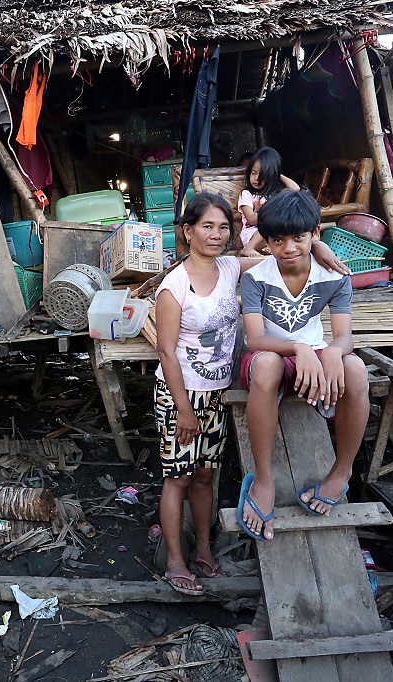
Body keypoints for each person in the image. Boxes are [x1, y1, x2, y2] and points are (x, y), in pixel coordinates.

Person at [154, 191, 348, 595]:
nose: (216, 234)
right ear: (188, 231)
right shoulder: (174, 287)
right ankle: (175, 560)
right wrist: (185, 409)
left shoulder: (229, 267)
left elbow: (285, 252)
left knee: (205, 475)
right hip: (182, 393)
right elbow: (166, 352)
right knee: (178, 478)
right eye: (206, 226)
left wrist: (322, 246)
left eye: (223, 227)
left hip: (218, 390)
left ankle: (205, 553)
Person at [235, 189, 369, 542]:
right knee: (266, 365)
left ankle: (341, 472)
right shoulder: (256, 278)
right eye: (278, 240)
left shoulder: (334, 276)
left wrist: (330, 353)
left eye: (299, 237)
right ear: (266, 241)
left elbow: (344, 337)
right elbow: (255, 339)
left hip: (314, 357)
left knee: (356, 370)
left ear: (314, 235)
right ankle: (264, 479)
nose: (290, 248)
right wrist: (298, 347)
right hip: (272, 355)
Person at [237, 147, 300, 256]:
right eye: (253, 173)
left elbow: (295, 189)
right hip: (252, 236)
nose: (256, 179)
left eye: (262, 175)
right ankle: (249, 248)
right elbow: (251, 220)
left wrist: (276, 174)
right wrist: (267, 210)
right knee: (268, 224)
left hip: (272, 235)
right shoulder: (247, 194)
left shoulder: (274, 195)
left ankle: (270, 247)